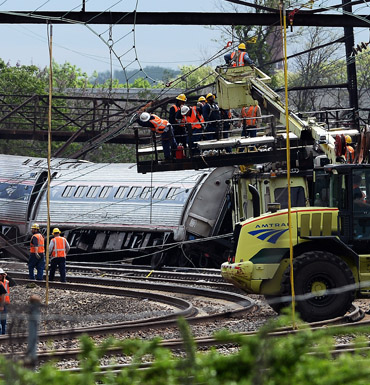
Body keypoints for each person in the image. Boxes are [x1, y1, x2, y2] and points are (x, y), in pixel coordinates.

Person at [0, 268, 10, 335]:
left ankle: (2, 335)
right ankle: (3, 335)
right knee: (3, 322)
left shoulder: (4, 282)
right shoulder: (5, 282)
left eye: (1, 274)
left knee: (3, 322)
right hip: (4, 303)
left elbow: (3, 294)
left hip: (3, 303)